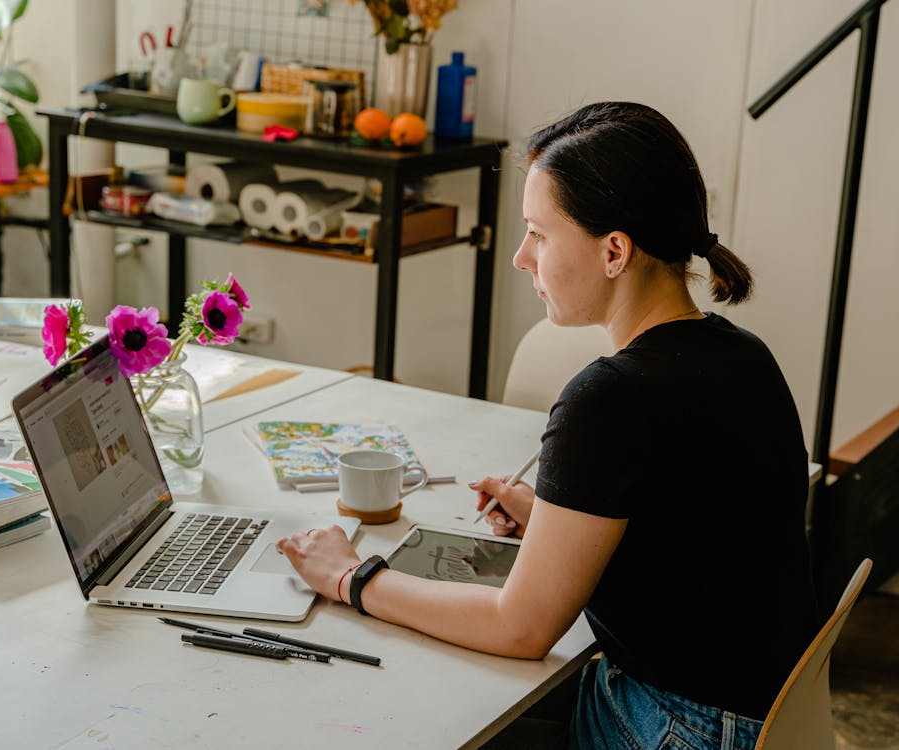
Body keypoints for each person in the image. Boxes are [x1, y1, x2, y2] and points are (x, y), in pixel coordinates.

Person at [277, 101, 819, 750]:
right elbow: (697, 541)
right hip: (757, 718)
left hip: (679, 725)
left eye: (538, 234)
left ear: (614, 251)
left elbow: (520, 628)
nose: (519, 258)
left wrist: (349, 577)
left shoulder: (611, 397)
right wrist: (552, 520)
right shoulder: (742, 354)